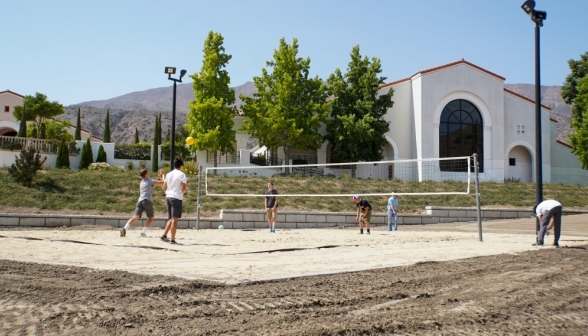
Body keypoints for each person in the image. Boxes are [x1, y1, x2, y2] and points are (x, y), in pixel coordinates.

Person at [120, 169, 164, 237]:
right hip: (147, 201)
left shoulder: (142, 182)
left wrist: (158, 177)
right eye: (148, 172)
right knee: (150, 218)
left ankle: (124, 229)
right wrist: (163, 175)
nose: (149, 173)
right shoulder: (150, 181)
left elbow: (153, 186)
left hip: (140, 201)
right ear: (146, 174)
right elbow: (163, 182)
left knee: (135, 217)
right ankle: (143, 233)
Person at [161, 158, 187, 245]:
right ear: (181, 165)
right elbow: (183, 188)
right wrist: (184, 191)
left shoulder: (169, 174)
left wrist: (169, 192)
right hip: (176, 198)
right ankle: (172, 240)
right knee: (175, 220)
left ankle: (164, 235)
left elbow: (164, 187)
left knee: (171, 218)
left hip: (168, 196)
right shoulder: (182, 175)